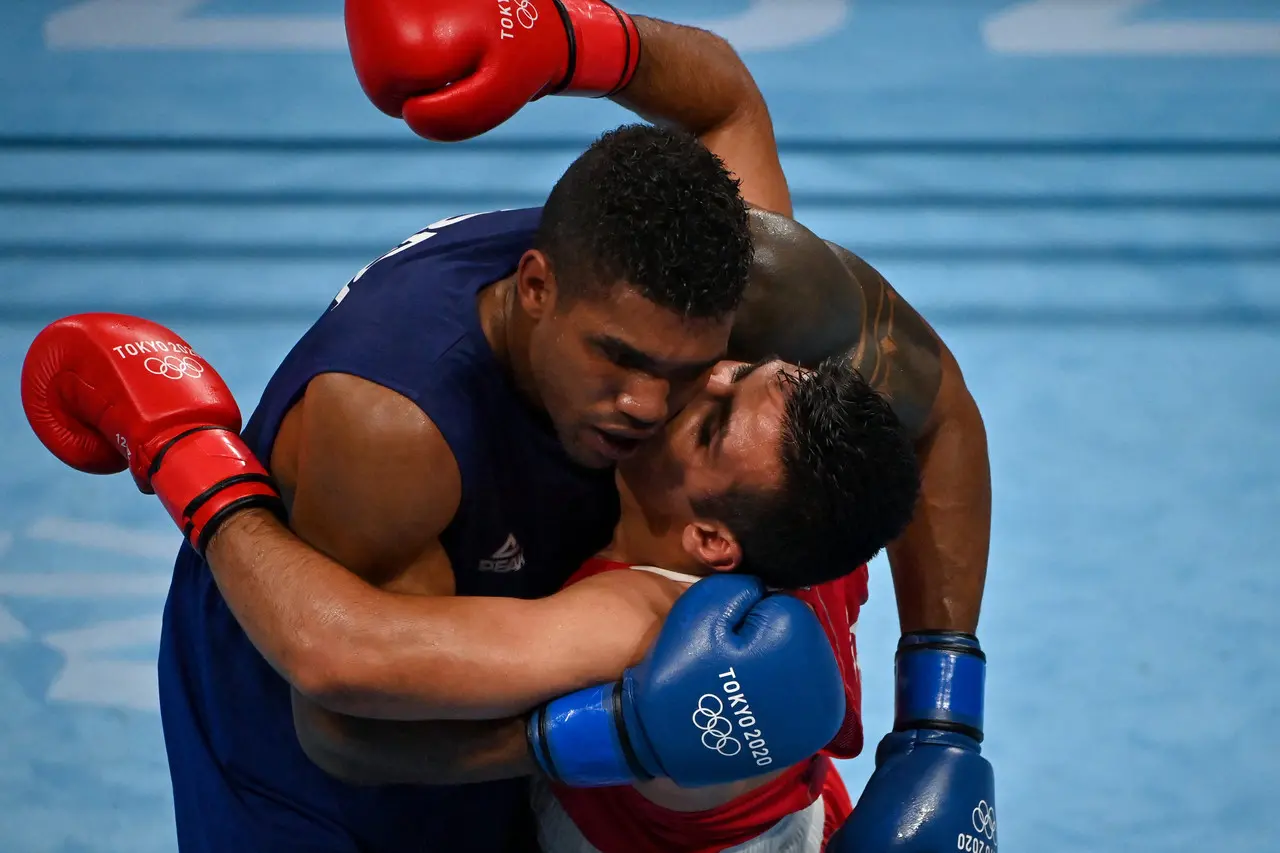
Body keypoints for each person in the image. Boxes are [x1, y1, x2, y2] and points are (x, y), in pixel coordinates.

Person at [23, 2, 995, 851]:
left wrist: (185, 454)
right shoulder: (391, 430)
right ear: (536, 286)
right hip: (314, 788)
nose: (654, 403)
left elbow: (354, 691)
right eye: (619, 359)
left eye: (691, 371)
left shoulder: (716, 399)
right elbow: (336, 713)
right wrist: (565, 39)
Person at [291, 353, 923, 853]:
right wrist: (946, 716)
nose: (708, 376)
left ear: (710, 540)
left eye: (709, 427)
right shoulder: (820, 514)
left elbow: (343, 712)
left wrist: (209, 487)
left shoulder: (628, 620)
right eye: (744, 369)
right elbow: (938, 403)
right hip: (808, 822)